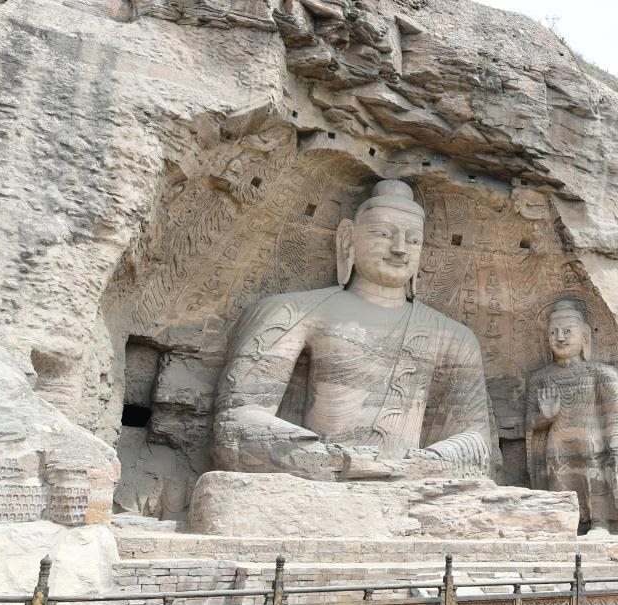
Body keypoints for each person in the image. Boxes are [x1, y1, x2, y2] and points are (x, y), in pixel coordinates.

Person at [213, 179, 498, 481]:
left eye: (413, 240)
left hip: (409, 482)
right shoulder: (294, 312)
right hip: (318, 478)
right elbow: (236, 423)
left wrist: (418, 465)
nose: (400, 249)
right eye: (383, 234)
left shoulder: (454, 337)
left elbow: (478, 447)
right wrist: (337, 461)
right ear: (348, 238)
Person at [525, 300, 618, 535]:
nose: (560, 338)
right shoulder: (540, 379)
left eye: (567, 331)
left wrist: (617, 440)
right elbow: (530, 424)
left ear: (585, 335)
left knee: (594, 476)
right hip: (557, 444)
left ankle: (600, 523)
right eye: (553, 333)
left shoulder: (601, 373)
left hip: (592, 442)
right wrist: (545, 417)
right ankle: (564, 525)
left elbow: (617, 410)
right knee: (558, 481)